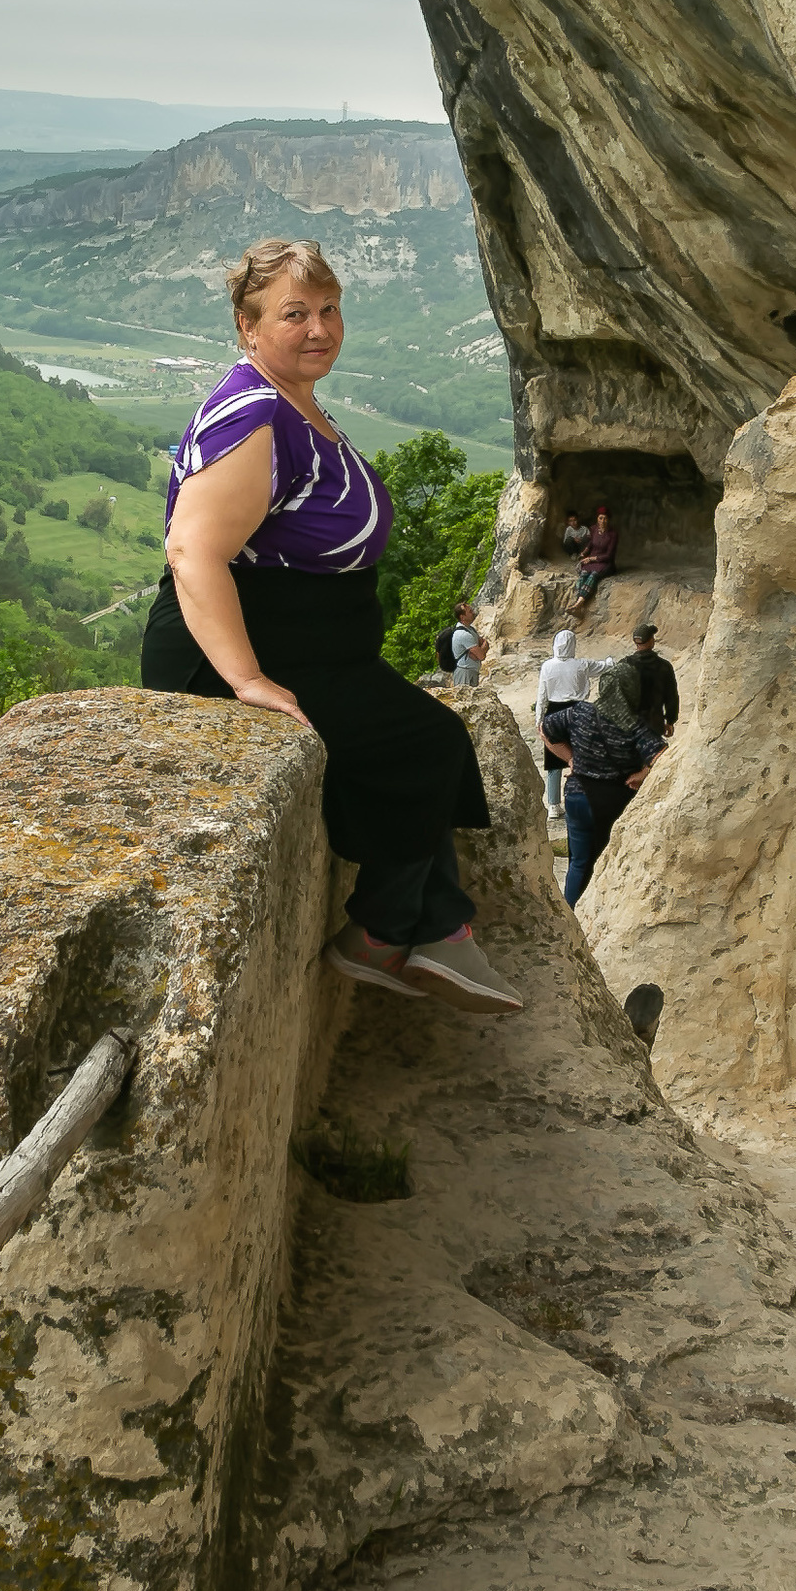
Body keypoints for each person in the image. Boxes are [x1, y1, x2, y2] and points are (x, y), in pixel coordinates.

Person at [142, 237, 521, 1012]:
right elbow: (191, 551)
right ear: (248, 327)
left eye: (327, 309)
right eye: (293, 314)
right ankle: (386, 935)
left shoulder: (292, 400)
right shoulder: (253, 415)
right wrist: (245, 678)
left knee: (424, 738)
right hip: (243, 644)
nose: (318, 328)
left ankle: (436, 933)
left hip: (311, 641)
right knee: (427, 742)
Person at [537, 685, 661, 907]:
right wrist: (643, 774)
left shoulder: (580, 712)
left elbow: (544, 730)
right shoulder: (635, 722)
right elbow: (660, 754)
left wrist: (570, 759)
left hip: (577, 794)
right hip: (613, 800)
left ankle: (572, 916)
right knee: (609, 861)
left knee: (578, 863)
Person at [533, 623, 595, 819]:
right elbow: (603, 666)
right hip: (576, 709)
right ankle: (583, 795)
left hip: (553, 709)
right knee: (579, 752)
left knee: (553, 759)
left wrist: (539, 718)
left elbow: (542, 694)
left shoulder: (547, 666)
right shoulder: (580, 664)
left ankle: (553, 804)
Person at [605, 620, 679, 737]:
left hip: (629, 726)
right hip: (654, 724)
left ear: (636, 643)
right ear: (651, 641)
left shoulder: (624, 665)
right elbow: (671, 697)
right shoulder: (664, 666)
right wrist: (670, 721)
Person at [573, 501, 618, 607]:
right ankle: (578, 600)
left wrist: (591, 559)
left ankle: (580, 602)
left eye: (605, 518)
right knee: (583, 574)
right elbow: (590, 543)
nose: (603, 521)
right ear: (597, 519)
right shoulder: (593, 529)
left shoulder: (613, 534)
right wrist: (584, 552)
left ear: (608, 520)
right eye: (600, 518)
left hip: (604, 562)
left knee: (593, 575)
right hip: (592, 560)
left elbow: (609, 555)